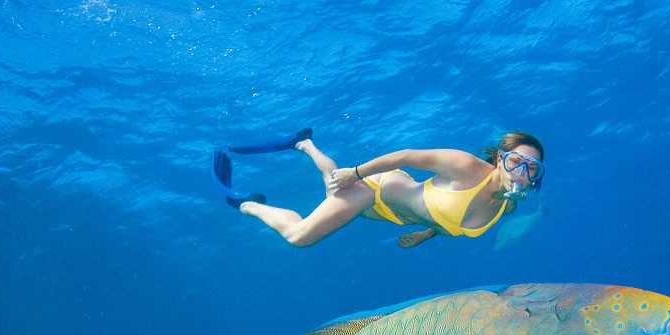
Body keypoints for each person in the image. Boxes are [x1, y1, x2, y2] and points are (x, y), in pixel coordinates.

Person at [212, 129, 544, 248]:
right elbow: (407, 156)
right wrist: (356, 173)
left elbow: (450, 218)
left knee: (333, 186)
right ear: (501, 158)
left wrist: (425, 235)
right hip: (375, 190)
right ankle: (245, 203)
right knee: (300, 237)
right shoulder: (467, 166)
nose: (522, 171)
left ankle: (305, 145)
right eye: (517, 161)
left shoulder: (507, 206)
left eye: (532, 168)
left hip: (384, 214)